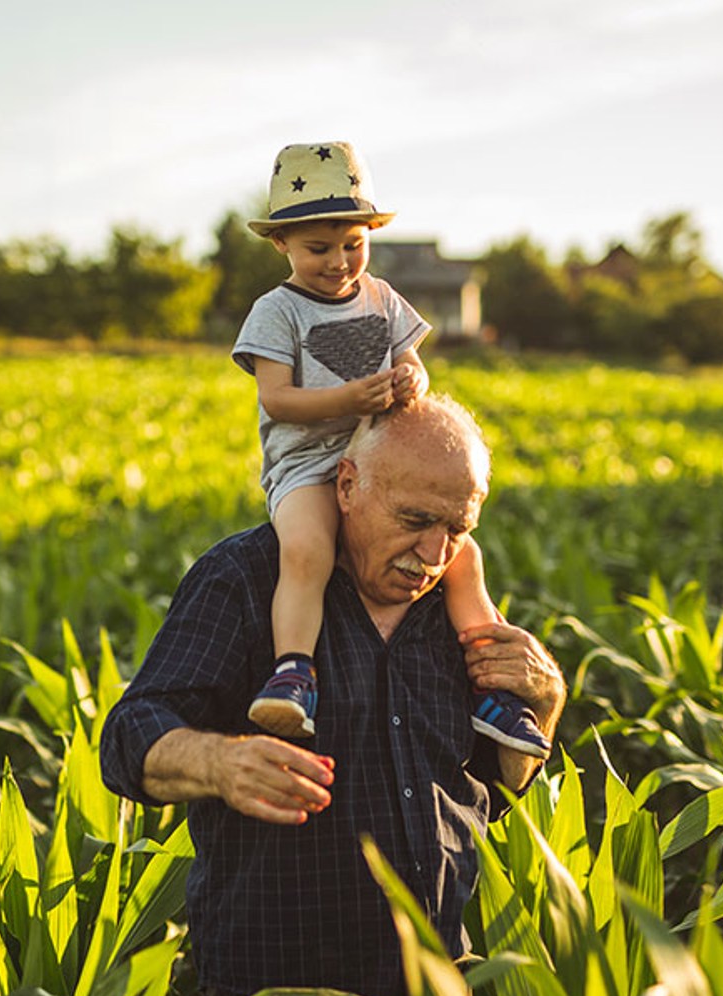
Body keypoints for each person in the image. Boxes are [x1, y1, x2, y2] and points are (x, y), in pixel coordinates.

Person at [97, 394, 567, 996]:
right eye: (415, 519)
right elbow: (128, 735)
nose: (434, 552)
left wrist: (543, 704)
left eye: (458, 528)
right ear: (347, 484)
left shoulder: (455, 616)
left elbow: (486, 791)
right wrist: (222, 762)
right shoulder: (246, 579)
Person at [233, 141, 549, 759]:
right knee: (306, 550)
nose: (339, 261)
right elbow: (277, 402)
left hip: (379, 456)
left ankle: (496, 695)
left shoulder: (381, 298)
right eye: (319, 249)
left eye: (353, 244)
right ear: (282, 245)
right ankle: (294, 673)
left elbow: (415, 367)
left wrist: (410, 382)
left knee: (463, 558)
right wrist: (352, 396)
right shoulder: (277, 312)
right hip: (307, 465)